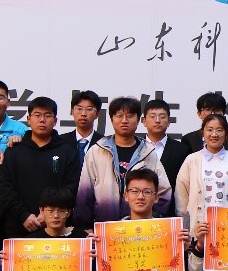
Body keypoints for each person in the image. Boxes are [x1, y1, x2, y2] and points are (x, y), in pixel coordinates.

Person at [74, 95, 171, 228]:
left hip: (140, 229)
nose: (124, 121)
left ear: (138, 120)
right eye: (119, 116)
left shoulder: (148, 152)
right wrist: (86, 227)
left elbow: (164, 192)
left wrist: (150, 220)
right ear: (112, 119)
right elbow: (84, 192)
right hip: (104, 227)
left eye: (130, 116)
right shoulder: (97, 150)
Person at [0, 95, 82, 244]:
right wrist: (23, 215)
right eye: (37, 115)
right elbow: (5, 188)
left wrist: (47, 216)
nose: (42, 120)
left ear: (55, 120)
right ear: (28, 119)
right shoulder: (14, 151)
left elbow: (71, 188)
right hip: (17, 227)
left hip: (56, 230)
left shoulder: (67, 152)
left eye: (48, 116)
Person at [175, 112, 228, 225]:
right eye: (209, 130)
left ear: (226, 134)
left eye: (219, 130)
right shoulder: (192, 160)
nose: (214, 134)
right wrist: (185, 223)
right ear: (203, 133)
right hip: (199, 226)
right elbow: (181, 195)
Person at [142, 97, 191, 192]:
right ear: (144, 121)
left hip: (171, 200)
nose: (157, 120)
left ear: (169, 121)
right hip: (140, 200)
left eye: (162, 117)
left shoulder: (181, 150)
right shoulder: (136, 147)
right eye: (152, 116)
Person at [67, 89, 102, 163]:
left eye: (89, 109)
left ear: (97, 114)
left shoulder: (104, 143)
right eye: (79, 109)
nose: (83, 114)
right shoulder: (61, 141)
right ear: (72, 112)